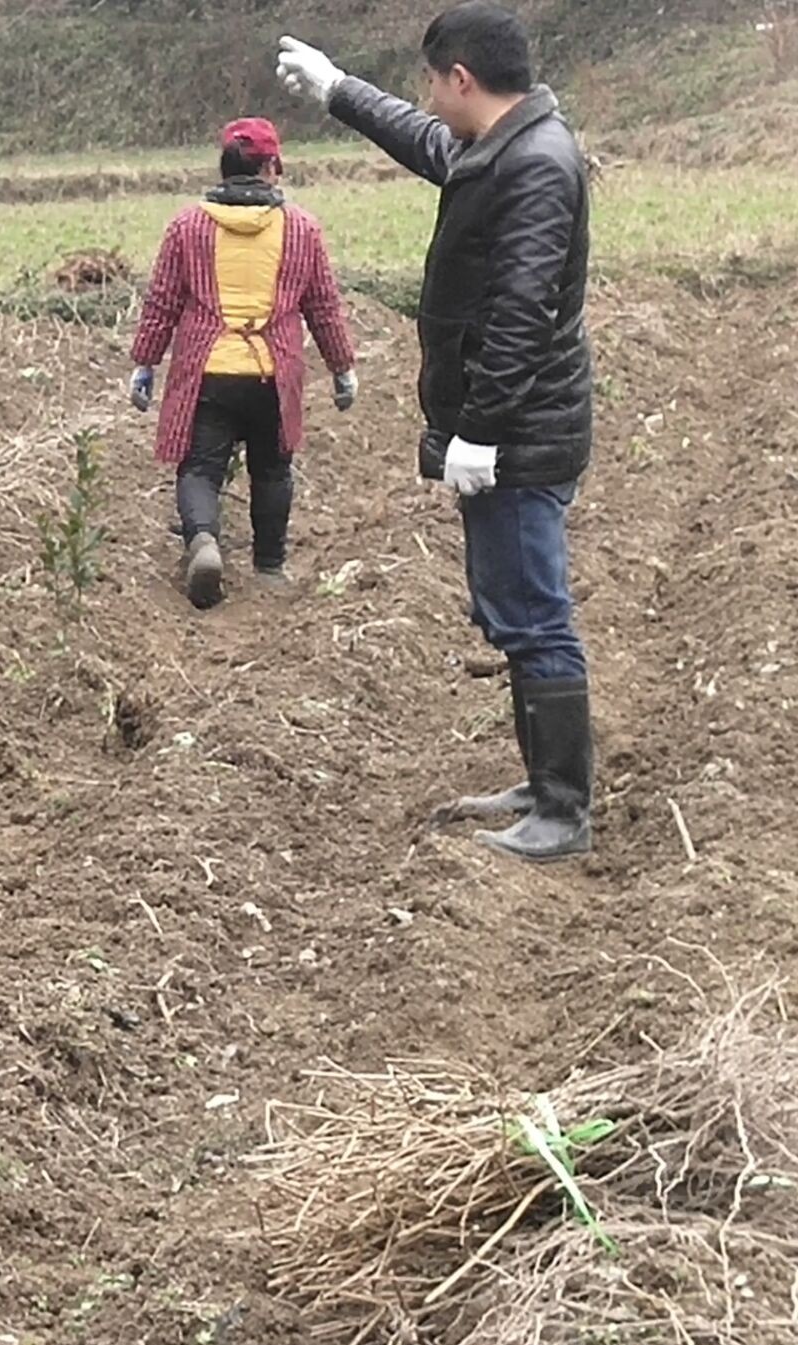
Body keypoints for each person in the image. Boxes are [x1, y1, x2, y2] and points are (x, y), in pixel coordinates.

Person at [277, 2, 594, 861]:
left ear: (462, 78)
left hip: (521, 434)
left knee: (534, 611)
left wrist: (482, 432)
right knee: (511, 605)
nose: (427, 95)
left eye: (430, 79)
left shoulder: (535, 166)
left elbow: (524, 315)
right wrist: (341, 90)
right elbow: (424, 140)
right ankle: (542, 781)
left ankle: (564, 809)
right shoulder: (503, 143)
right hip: (511, 427)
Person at [128, 117, 359, 610]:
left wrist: (145, 363)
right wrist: (342, 367)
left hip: (208, 372)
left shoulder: (188, 227)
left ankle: (205, 541)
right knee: (273, 470)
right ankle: (270, 567)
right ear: (272, 167)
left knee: (200, 470)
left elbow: (162, 303)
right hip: (273, 375)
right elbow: (323, 307)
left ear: (224, 167)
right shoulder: (301, 229)